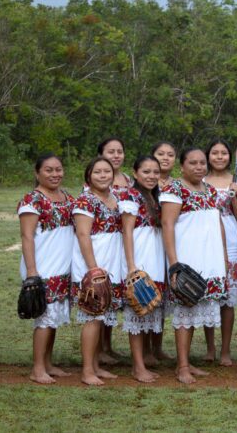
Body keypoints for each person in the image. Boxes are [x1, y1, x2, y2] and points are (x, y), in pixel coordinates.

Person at [160, 148, 229, 384]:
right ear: (182, 166)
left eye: (202, 163)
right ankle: (182, 367)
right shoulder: (174, 189)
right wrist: (174, 264)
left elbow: (217, 222)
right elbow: (167, 225)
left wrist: (224, 256)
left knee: (197, 310)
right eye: (193, 163)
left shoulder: (209, 189)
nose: (199, 167)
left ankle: (188, 362)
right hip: (188, 259)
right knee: (185, 311)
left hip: (210, 259)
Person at [18, 153, 75, 384]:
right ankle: (37, 368)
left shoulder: (67, 197)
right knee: (45, 316)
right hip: (42, 265)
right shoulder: (32, 200)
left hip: (62, 264)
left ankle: (48, 362)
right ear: (37, 173)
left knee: (55, 316)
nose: (55, 174)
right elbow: (27, 236)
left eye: (58, 169)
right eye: (49, 170)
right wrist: (32, 271)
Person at [72, 157, 124, 385]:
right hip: (93, 262)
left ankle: (95, 365)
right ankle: (87, 371)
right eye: (97, 172)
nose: (103, 175)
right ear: (88, 176)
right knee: (92, 317)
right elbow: (83, 235)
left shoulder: (115, 198)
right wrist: (92, 268)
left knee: (102, 316)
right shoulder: (85, 200)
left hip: (111, 261)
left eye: (107, 171)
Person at [118, 156, 167, 383]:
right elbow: (127, 231)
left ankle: (144, 361)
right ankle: (137, 367)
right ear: (135, 173)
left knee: (149, 310)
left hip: (155, 260)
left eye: (155, 172)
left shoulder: (155, 196)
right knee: (137, 314)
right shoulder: (131, 195)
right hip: (139, 260)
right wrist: (131, 266)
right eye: (146, 172)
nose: (151, 176)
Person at [203, 139, 237, 366]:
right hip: (205, 240)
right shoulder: (199, 181)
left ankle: (226, 350)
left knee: (227, 298)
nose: (219, 157)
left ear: (230, 156)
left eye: (223, 153)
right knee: (209, 294)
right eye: (214, 153)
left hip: (230, 239)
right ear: (208, 156)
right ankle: (210, 348)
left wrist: (235, 196)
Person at [96, 137, 131, 364]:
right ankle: (97, 349)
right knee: (100, 294)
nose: (116, 155)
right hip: (102, 243)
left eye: (120, 151)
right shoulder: (97, 179)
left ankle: (107, 347)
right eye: (111, 151)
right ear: (101, 154)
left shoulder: (128, 179)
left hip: (121, 240)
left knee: (112, 296)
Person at [148, 140, 178, 361]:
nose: (165, 158)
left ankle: (157, 347)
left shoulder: (177, 185)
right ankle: (145, 349)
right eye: (161, 153)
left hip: (172, 242)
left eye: (170, 154)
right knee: (149, 292)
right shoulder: (145, 181)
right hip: (148, 242)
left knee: (163, 295)